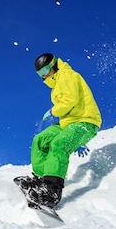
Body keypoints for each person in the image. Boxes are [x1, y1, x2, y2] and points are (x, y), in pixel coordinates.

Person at [15, 53, 102, 209]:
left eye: (45, 70)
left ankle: (51, 190)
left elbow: (70, 100)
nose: (44, 76)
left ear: (54, 65)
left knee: (59, 144)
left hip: (85, 121)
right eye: (40, 74)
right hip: (67, 124)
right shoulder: (55, 86)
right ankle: (41, 179)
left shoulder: (67, 75)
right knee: (40, 141)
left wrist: (53, 111)